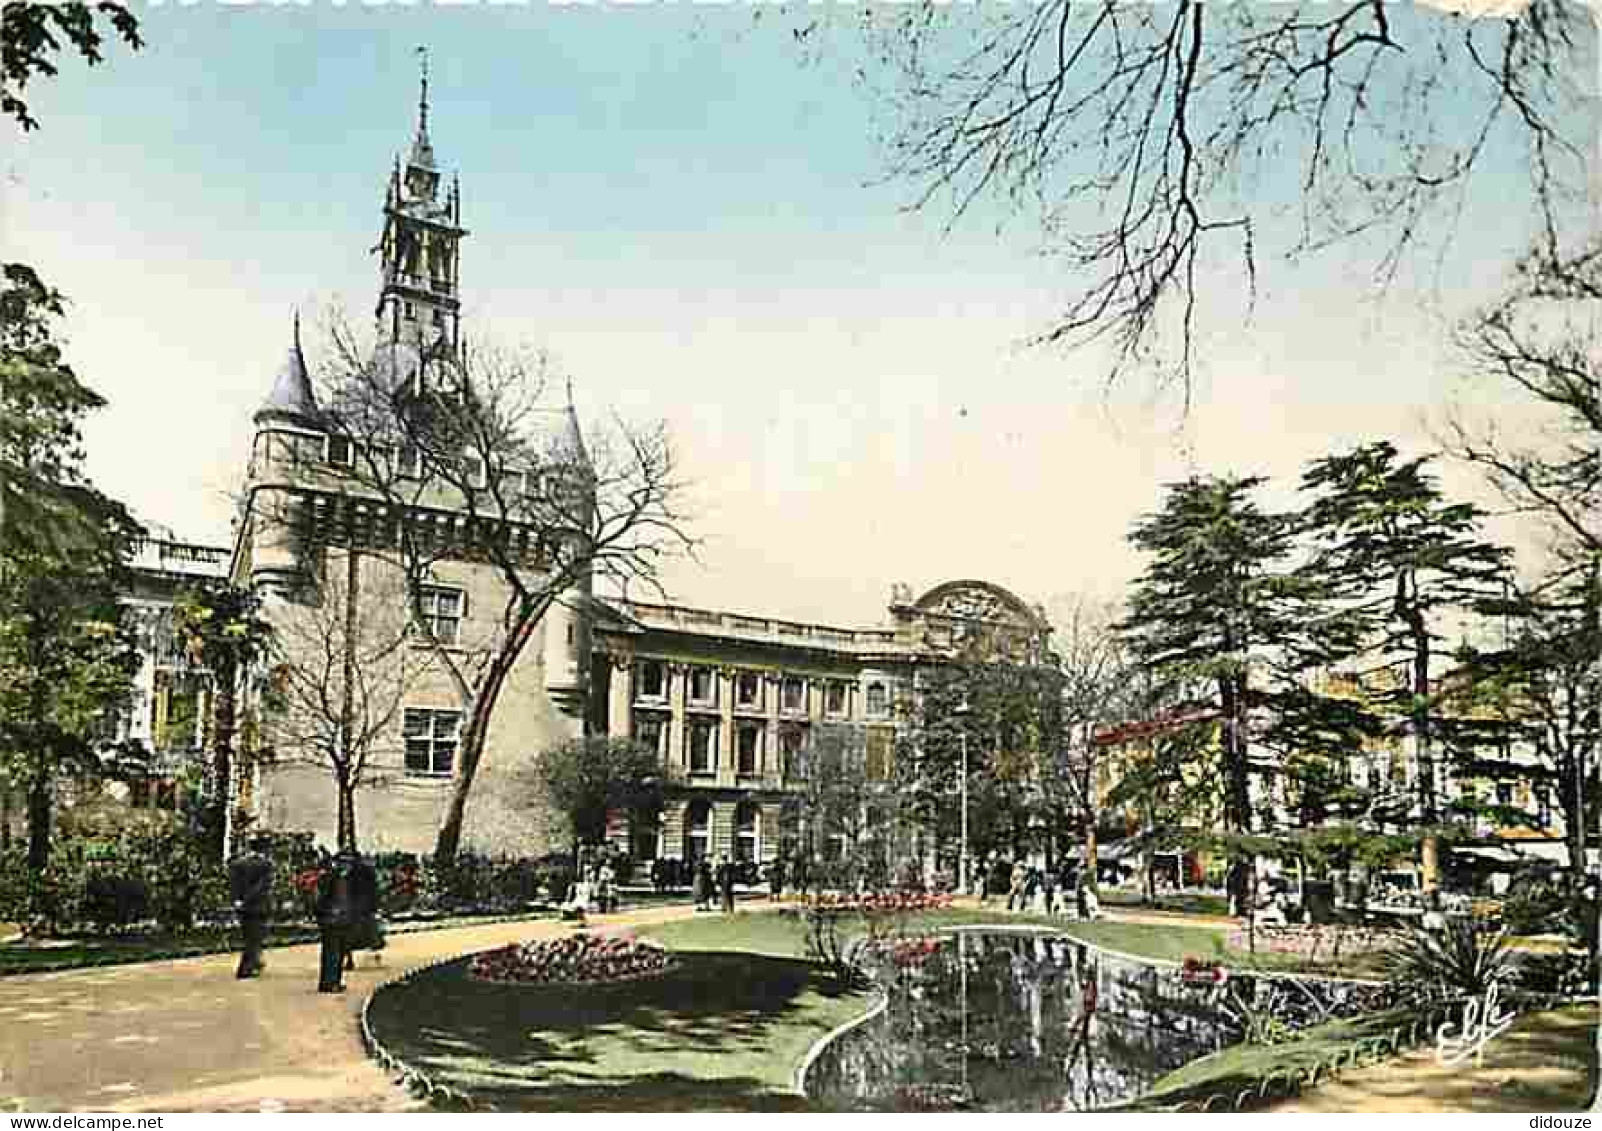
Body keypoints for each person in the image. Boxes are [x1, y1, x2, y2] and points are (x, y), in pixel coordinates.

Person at [228, 834, 274, 979]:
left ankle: (255, 963)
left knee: (248, 936)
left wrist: (237, 900)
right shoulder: (266, 864)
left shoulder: (238, 863)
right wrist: (247, 900)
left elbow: (234, 884)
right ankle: (245, 968)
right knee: (254, 938)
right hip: (258, 906)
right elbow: (262, 887)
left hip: (242, 907)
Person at [314, 850, 355, 993]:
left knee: (340, 952)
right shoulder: (330, 877)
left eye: (348, 862)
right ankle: (328, 982)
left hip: (343, 920)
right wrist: (325, 913)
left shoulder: (347, 879)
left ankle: (335, 981)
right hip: (331, 920)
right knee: (331, 953)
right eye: (343, 862)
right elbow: (320, 899)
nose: (347, 865)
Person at [344, 852, 384, 971]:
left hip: (355, 908)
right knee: (370, 933)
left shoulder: (350, 874)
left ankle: (350, 959)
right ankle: (374, 955)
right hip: (363, 908)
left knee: (350, 936)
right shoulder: (367, 872)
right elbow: (375, 890)